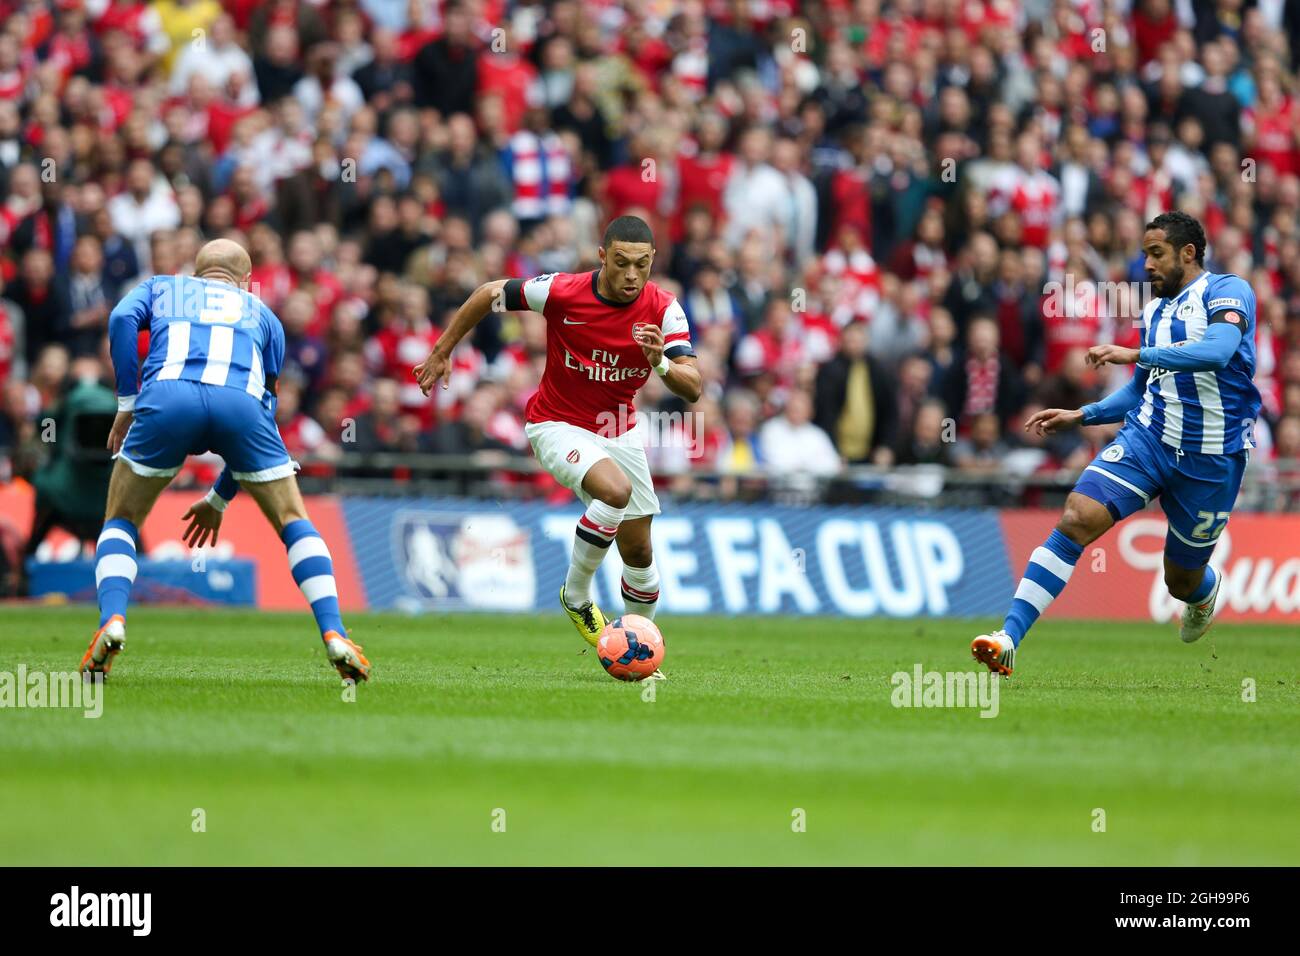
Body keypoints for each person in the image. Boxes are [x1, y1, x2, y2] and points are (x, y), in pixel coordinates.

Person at [973, 212, 1261, 675]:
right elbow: (1138, 391)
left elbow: (1218, 352)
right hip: (1150, 439)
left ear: (1188, 253)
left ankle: (1202, 592)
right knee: (1076, 517)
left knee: (1180, 579)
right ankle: (1007, 637)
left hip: (1213, 459)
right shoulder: (1154, 312)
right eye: (1144, 254)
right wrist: (1081, 415)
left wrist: (1134, 352)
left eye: (1156, 254)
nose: (1145, 264)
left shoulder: (1227, 291)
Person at [414, 216, 701, 665]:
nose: (631, 275)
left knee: (640, 550)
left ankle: (638, 651)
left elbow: (694, 386)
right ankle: (577, 594)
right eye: (621, 262)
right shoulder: (562, 292)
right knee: (615, 492)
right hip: (556, 424)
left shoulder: (665, 309)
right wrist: (442, 349)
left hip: (618, 430)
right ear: (602, 256)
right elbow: (489, 292)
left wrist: (659, 364)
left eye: (641, 265)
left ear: (652, 262)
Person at [82, 239, 370, 683]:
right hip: (240, 405)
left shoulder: (163, 286)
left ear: (197, 271)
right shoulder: (264, 315)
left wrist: (126, 400)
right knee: (294, 519)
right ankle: (334, 632)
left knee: (121, 517)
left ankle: (113, 621)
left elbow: (121, 318)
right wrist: (220, 498)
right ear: (244, 277)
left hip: (167, 398)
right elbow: (266, 407)